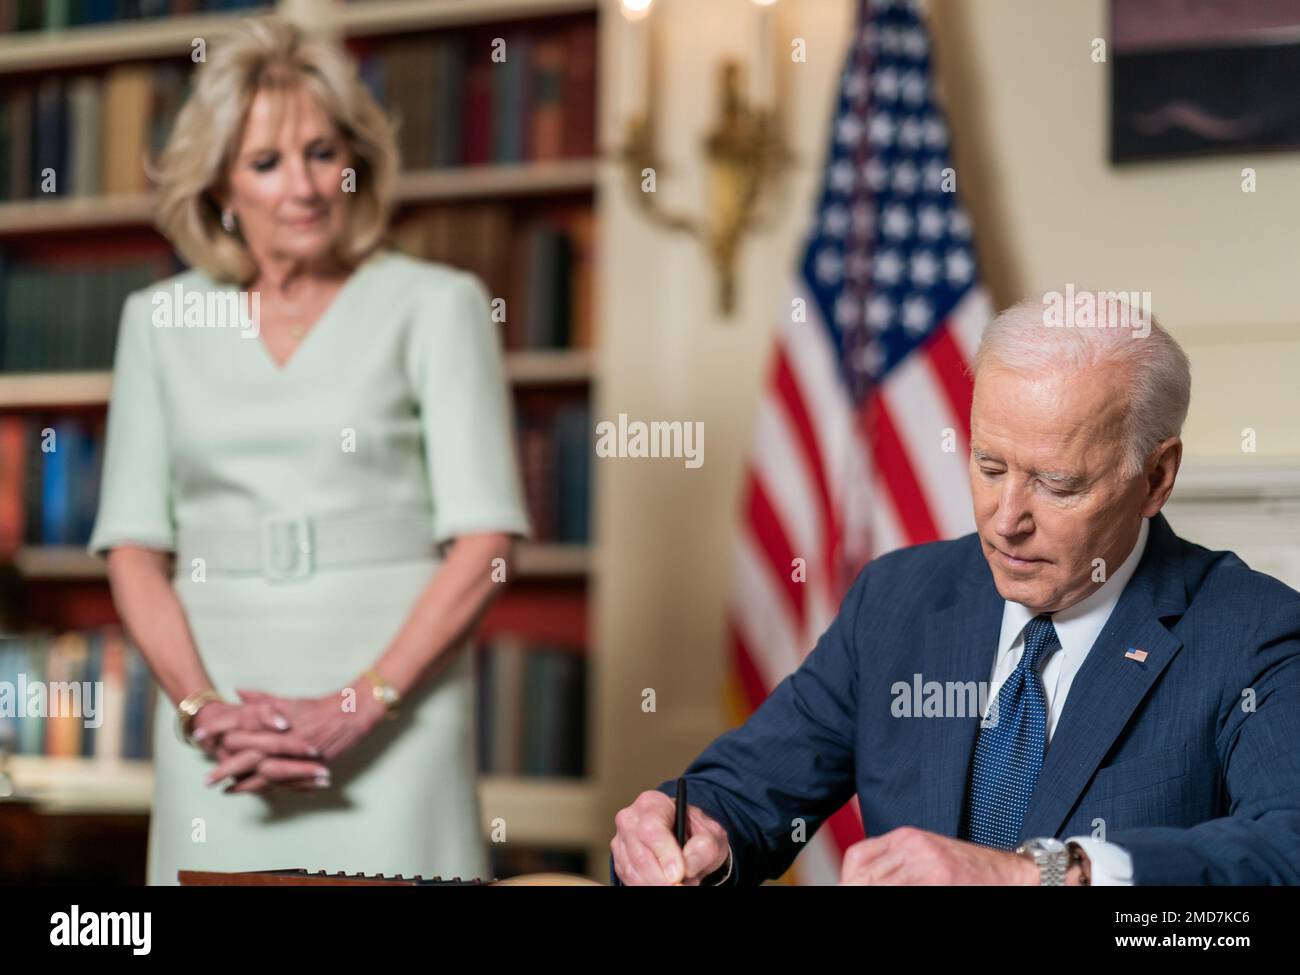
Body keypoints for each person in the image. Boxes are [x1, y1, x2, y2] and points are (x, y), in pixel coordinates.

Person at [611, 292, 1300, 885]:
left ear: (1155, 477)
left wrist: (1038, 872)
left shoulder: (1252, 630)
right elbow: (746, 792)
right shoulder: (898, 600)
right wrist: (692, 828)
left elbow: (1285, 849)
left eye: (1057, 484)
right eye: (989, 465)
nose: (1006, 520)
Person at [87, 17, 529, 885]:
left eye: (323, 153)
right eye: (266, 163)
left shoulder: (438, 304)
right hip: (220, 729)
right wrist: (203, 709)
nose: (305, 186)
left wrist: (355, 707)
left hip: (399, 717)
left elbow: (487, 546)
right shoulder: (158, 320)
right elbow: (133, 548)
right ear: (220, 186)